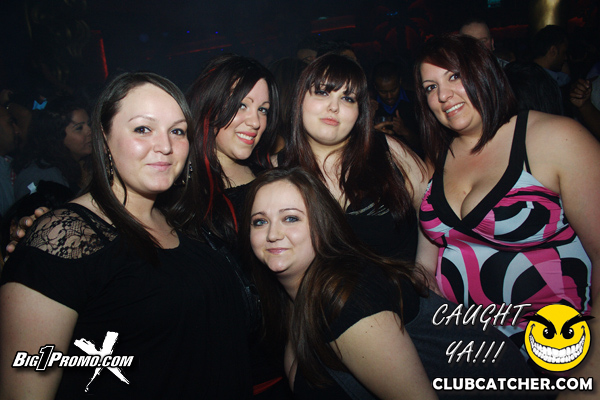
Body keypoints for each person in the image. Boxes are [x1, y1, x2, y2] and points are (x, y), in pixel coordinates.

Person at [0, 72, 252, 399]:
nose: (165, 146)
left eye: (177, 131)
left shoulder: (182, 221)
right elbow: (25, 388)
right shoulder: (66, 234)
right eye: (143, 129)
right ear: (104, 139)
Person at [240, 167, 534, 399]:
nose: (273, 234)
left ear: (321, 225)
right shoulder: (294, 298)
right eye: (260, 221)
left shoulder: (347, 298)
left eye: (291, 218)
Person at [414, 34, 599, 358]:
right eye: (430, 87)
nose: (443, 95)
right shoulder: (439, 154)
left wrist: (593, 359)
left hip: (555, 344)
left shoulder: (557, 138)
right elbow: (425, 266)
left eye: (454, 76)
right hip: (469, 345)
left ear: (484, 72)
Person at [277, 53, 429, 262]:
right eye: (322, 92)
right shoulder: (276, 169)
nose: (334, 107)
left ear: (360, 112)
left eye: (348, 98)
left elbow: (432, 211)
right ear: (299, 100)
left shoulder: (388, 151)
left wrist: (424, 269)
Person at [12, 96, 92, 200]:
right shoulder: (41, 177)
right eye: (79, 128)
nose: (90, 131)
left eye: (89, 124)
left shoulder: (83, 165)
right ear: (57, 136)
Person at [371, 60, 422, 156]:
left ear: (400, 82)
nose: (389, 96)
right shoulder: (370, 106)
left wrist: (405, 132)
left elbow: (426, 146)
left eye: (393, 90)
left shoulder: (416, 102)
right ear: (375, 87)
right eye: (383, 92)